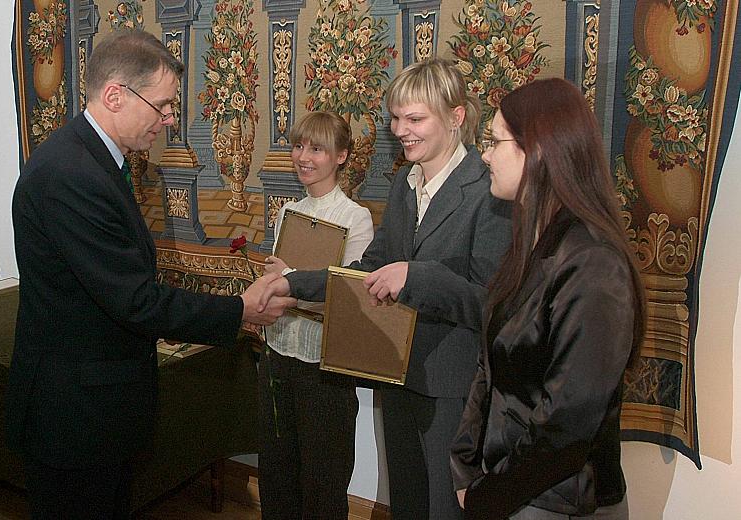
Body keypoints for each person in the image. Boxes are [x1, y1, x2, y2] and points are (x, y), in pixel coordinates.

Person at [6, 29, 294, 520]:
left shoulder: (93, 160)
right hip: (75, 417)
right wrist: (239, 310)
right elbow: (134, 299)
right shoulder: (71, 175)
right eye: (161, 105)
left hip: (97, 408)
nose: (168, 118)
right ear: (115, 95)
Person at [260, 58, 512, 519]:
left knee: (444, 508)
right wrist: (294, 282)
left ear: (456, 117)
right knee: (409, 504)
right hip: (394, 374)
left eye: (415, 119)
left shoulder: (487, 188)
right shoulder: (403, 183)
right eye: (396, 118)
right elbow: (370, 267)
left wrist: (415, 277)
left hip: (450, 385)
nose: (401, 130)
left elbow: (489, 302)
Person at [450, 78, 646, 520]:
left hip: (557, 500)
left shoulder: (593, 263)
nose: (485, 155)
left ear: (536, 151)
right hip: (513, 490)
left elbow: (568, 423)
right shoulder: (532, 245)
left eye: (494, 141)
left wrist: (490, 498)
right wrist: (465, 464)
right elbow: (492, 369)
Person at [257, 111, 374, 519]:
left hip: (324, 371)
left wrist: (286, 292)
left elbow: (348, 298)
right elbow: (276, 278)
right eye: (299, 146)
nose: (303, 157)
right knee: (277, 472)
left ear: (341, 157)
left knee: (324, 481)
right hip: (277, 359)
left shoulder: (355, 219)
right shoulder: (288, 211)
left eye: (317, 149)